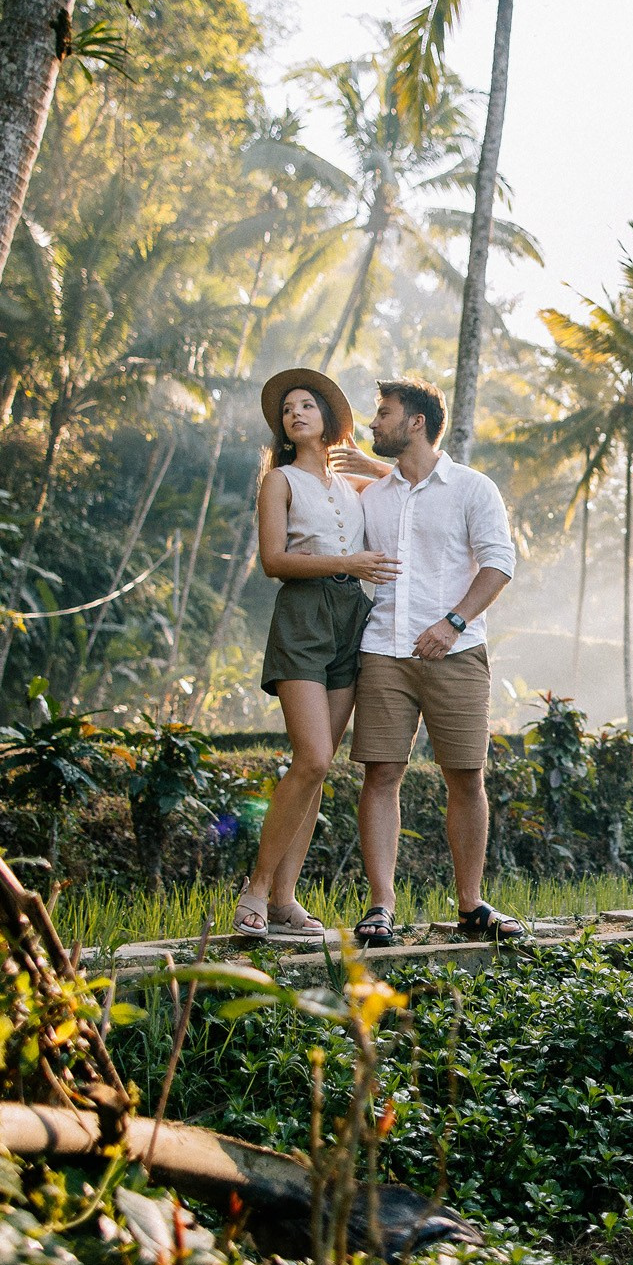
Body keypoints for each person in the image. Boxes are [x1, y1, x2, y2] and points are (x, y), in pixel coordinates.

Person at [349, 378, 523, 946]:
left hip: (458, 653)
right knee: (381, 773)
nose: (374, 423)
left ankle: (471, 906)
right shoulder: (373, 498)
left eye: (384, 413)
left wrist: (451, 624)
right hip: (383, 652)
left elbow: (498, 564)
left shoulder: (473, 489)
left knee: (466, 776)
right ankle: (381, 908)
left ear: (416, 421)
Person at [233, 368, 396, 940]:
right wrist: (347, 564)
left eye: (307, 405)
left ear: (329, 418)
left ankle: (284, 899)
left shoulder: (354, 486)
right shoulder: (279, 482)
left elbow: (415, 487)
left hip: (353, 618)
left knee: (319, 771)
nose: (295, 413)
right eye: (287, 410)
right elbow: (274, 561)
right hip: (302, 615)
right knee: (313, 758)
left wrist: (374, 467)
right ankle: (254, 890)